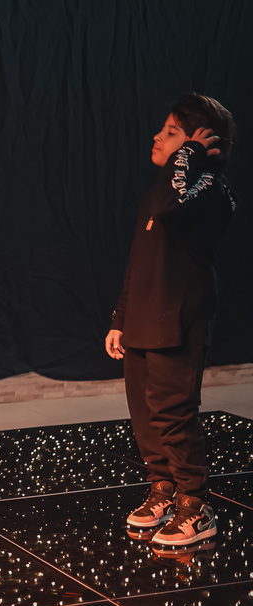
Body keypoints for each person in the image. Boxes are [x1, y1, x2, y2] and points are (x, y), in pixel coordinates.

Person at [106, 93, 237, 547]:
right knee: (145, 415)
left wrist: (191, 155)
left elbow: (171, 204)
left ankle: (195, 506)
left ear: (202, 143)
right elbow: (138, 262)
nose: (158, 138)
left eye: (172, 133)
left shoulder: (211, 190)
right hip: (144, 318)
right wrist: (120, 317)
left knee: (172, 413)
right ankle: (163, 490)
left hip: (178, 320)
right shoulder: (164, 190)